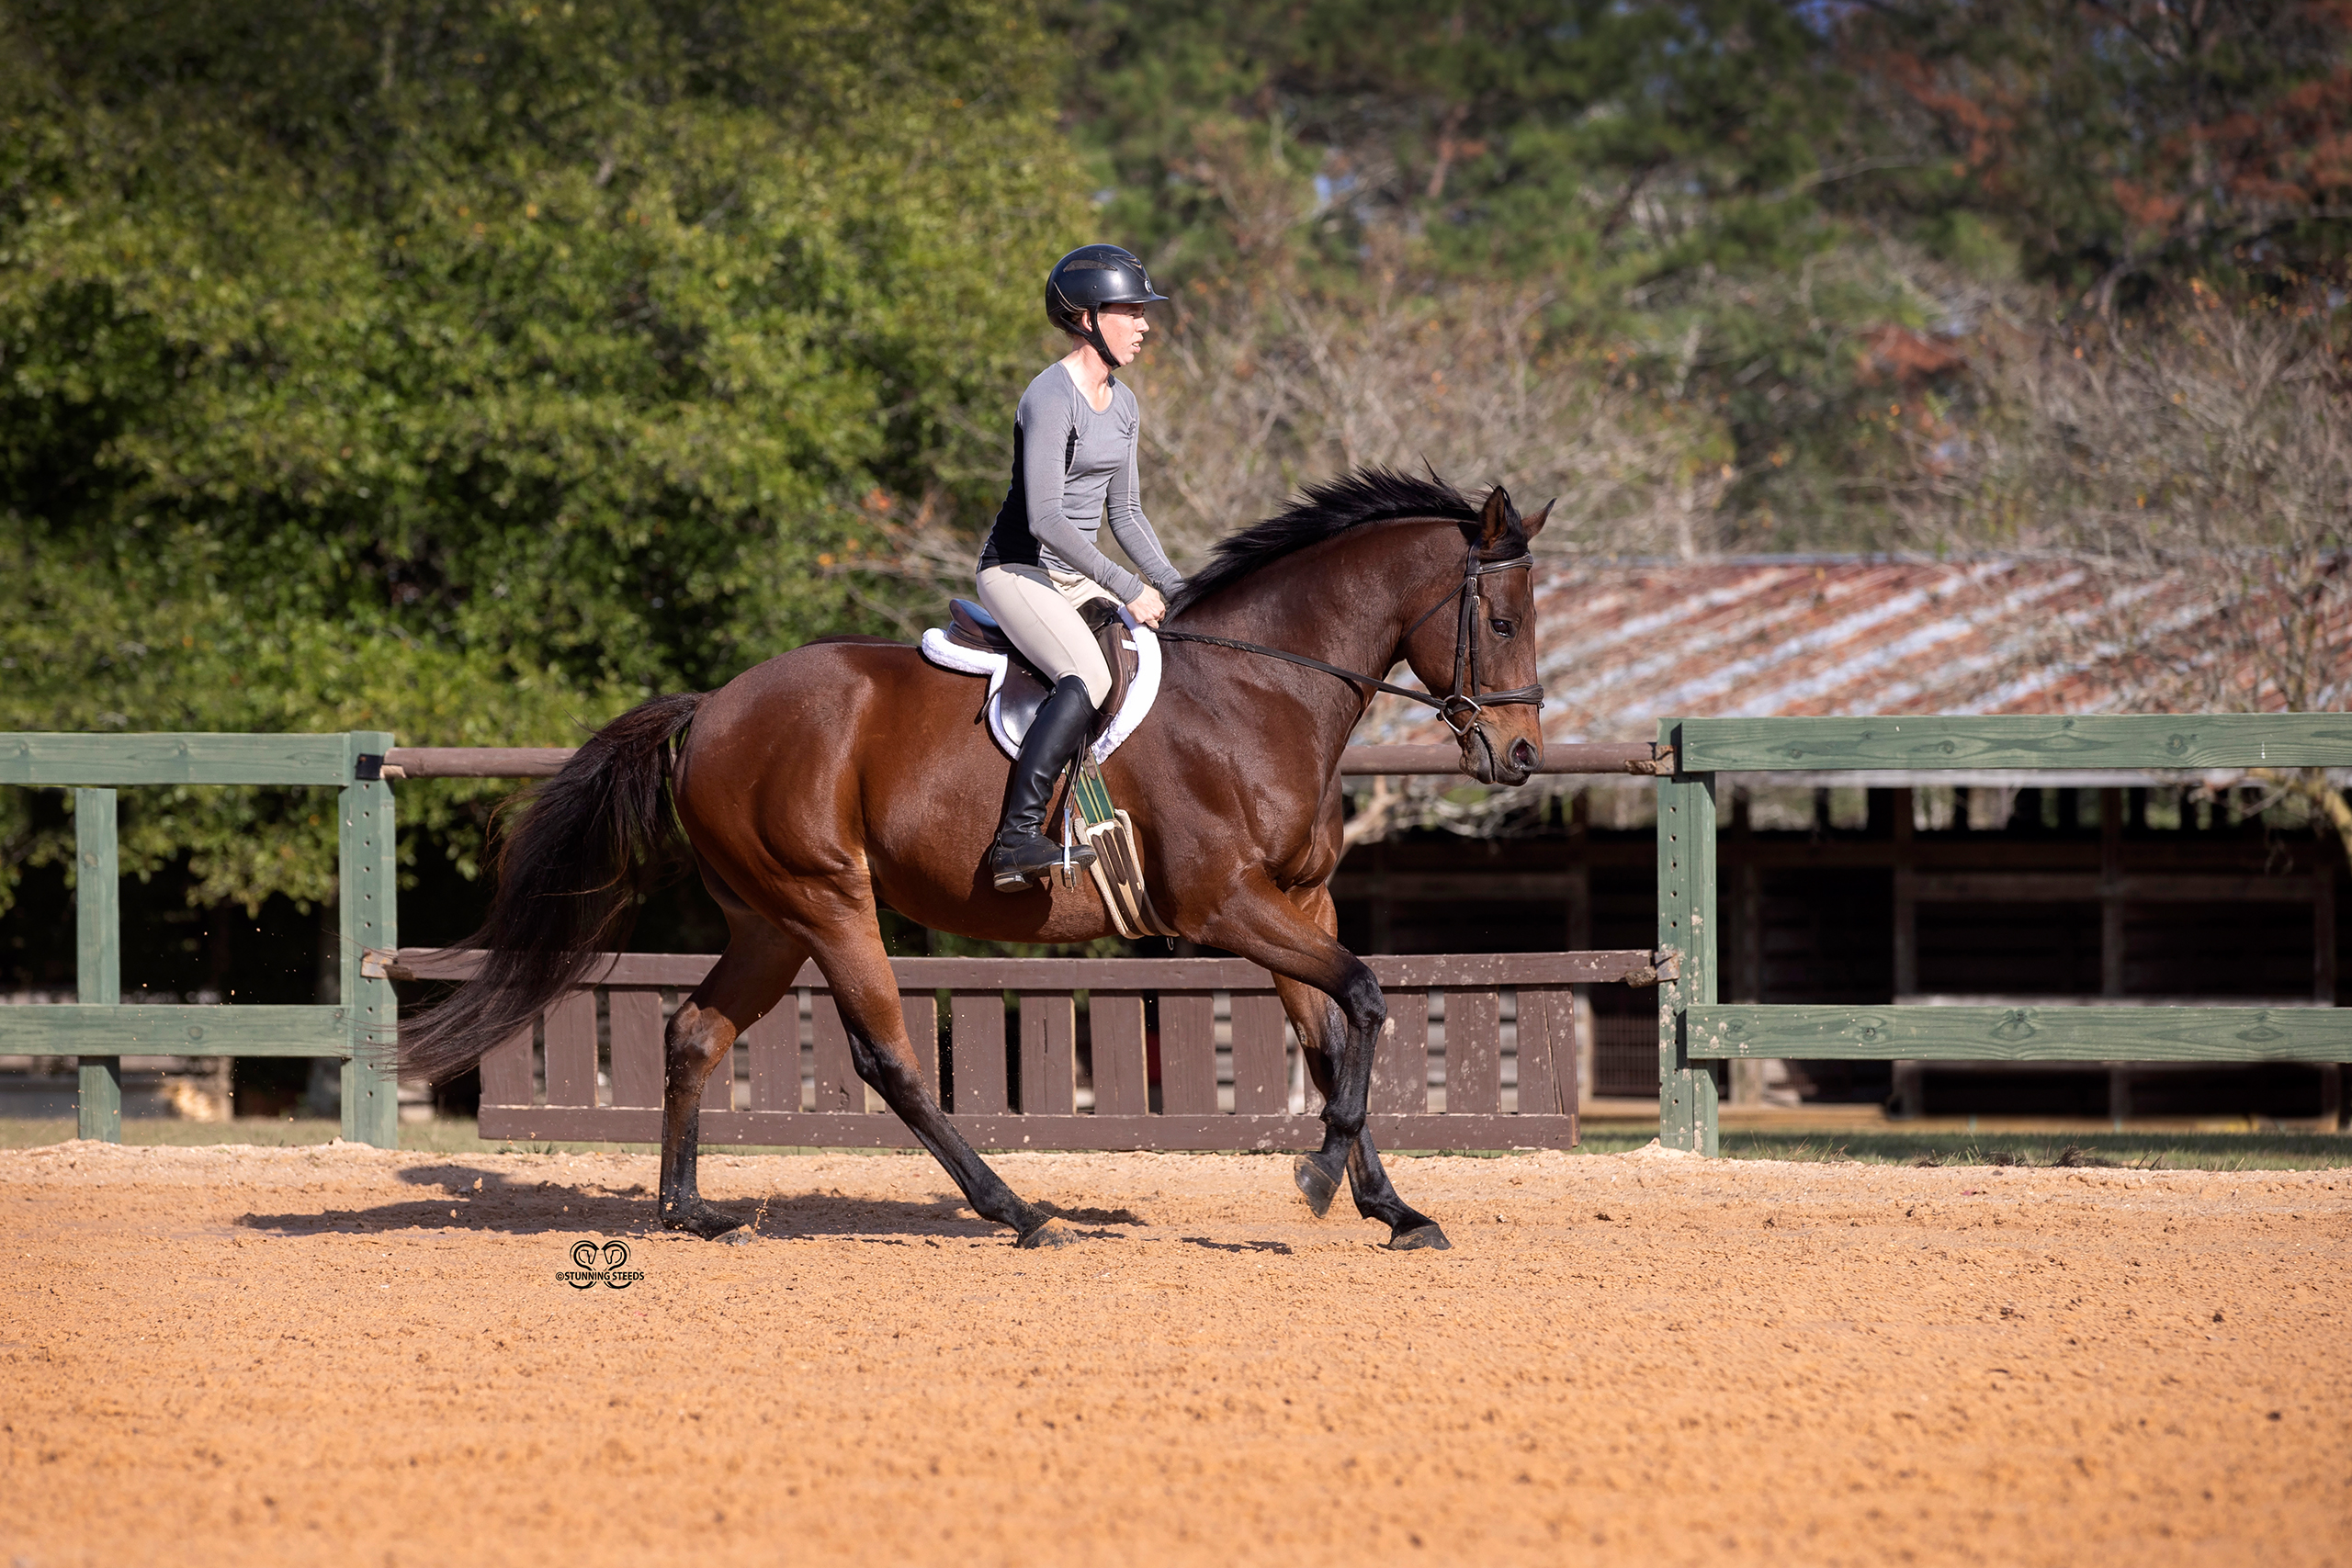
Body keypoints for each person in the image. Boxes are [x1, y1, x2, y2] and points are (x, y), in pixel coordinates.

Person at [977, 243, 1186, 892]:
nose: (1145, 324)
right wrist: (1126, 585)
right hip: (1017, 569)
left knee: (1152, 654)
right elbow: (1045, 520)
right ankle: (1016, 838)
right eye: (1131, 311)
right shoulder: (1050, 395)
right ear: (1088, 317)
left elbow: (1125, 513)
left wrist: (1182, 590)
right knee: (1088, 675)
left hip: (1074, 575)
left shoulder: (1122, 404)